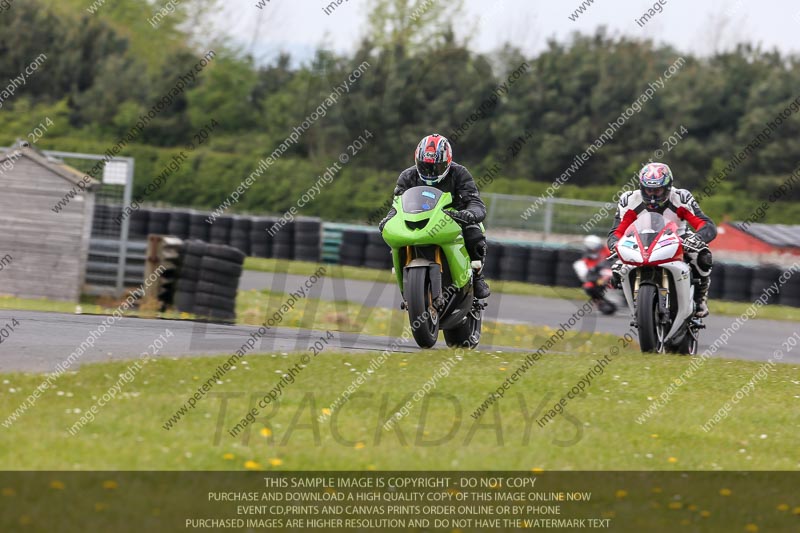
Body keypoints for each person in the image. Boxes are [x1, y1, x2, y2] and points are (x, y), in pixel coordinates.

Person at [379, 133, 490, 299]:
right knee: (391, 233)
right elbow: (397, 204)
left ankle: (477, 276)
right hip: (420, 218)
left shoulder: (459, 173)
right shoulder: (407, 176)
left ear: (447, 162)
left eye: (436, 167)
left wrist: (469, 213)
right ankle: (405, 272)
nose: (430, 171)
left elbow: (475, 201)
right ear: (417, 161)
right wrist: (389, 219)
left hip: (453, 218)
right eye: (425, 166)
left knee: (475, 232)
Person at [607, 162, 717, 317]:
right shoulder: (629, 199)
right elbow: (617, 230)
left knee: (702, 255)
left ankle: (700, 296)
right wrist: (614, 244)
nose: (652, 196)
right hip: (641, 240)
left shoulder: (681, 197)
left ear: (668, 187)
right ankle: (635, 302)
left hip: (677, 238)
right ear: (641, 186)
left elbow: (705, 223)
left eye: (657, 191)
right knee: (617, 269)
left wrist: (698, 238)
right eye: (648, 190)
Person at [573, 235, 616, 315]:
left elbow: (616, 259)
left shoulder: (607, 250)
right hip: (599, 279)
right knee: (588, 286)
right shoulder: (585, 259)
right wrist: (599, 276)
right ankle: (601, 302)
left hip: (614, 273)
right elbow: (588, 274)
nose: (595, 250)